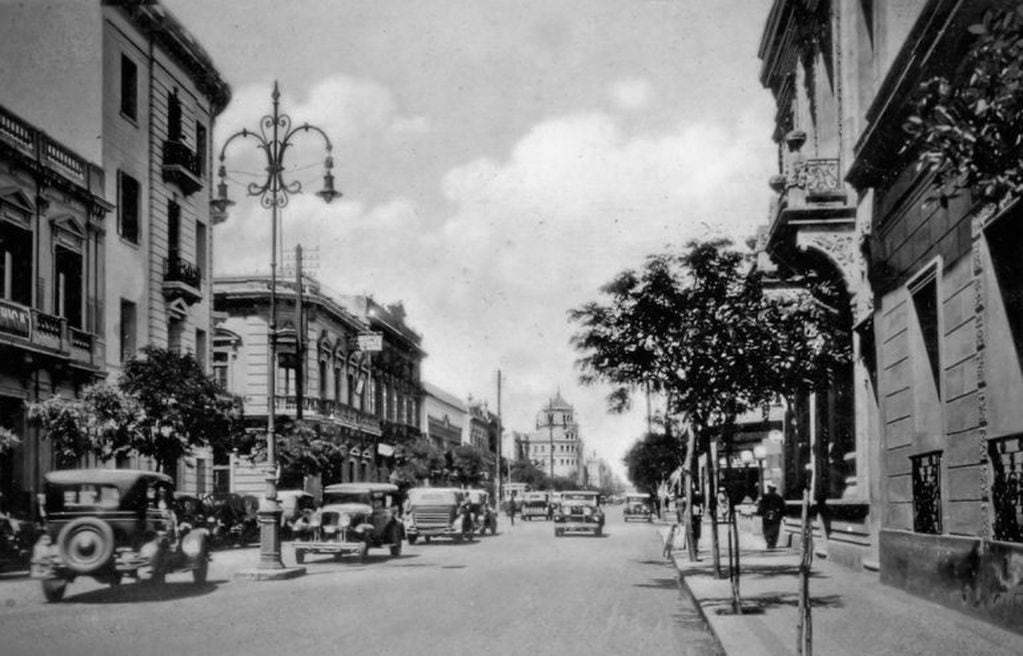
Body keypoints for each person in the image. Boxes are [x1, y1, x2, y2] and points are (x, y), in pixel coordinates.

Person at [757, 483, 786, 549]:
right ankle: (772, 543)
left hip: (767, 515)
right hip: (776, 515)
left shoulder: (765, 496)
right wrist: (782, 515)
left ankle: (768, 541)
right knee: (775, 530)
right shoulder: (779, 497)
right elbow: (783, 508)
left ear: (769, 489)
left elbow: (761, 506)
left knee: (766, 529)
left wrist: (761, 512)